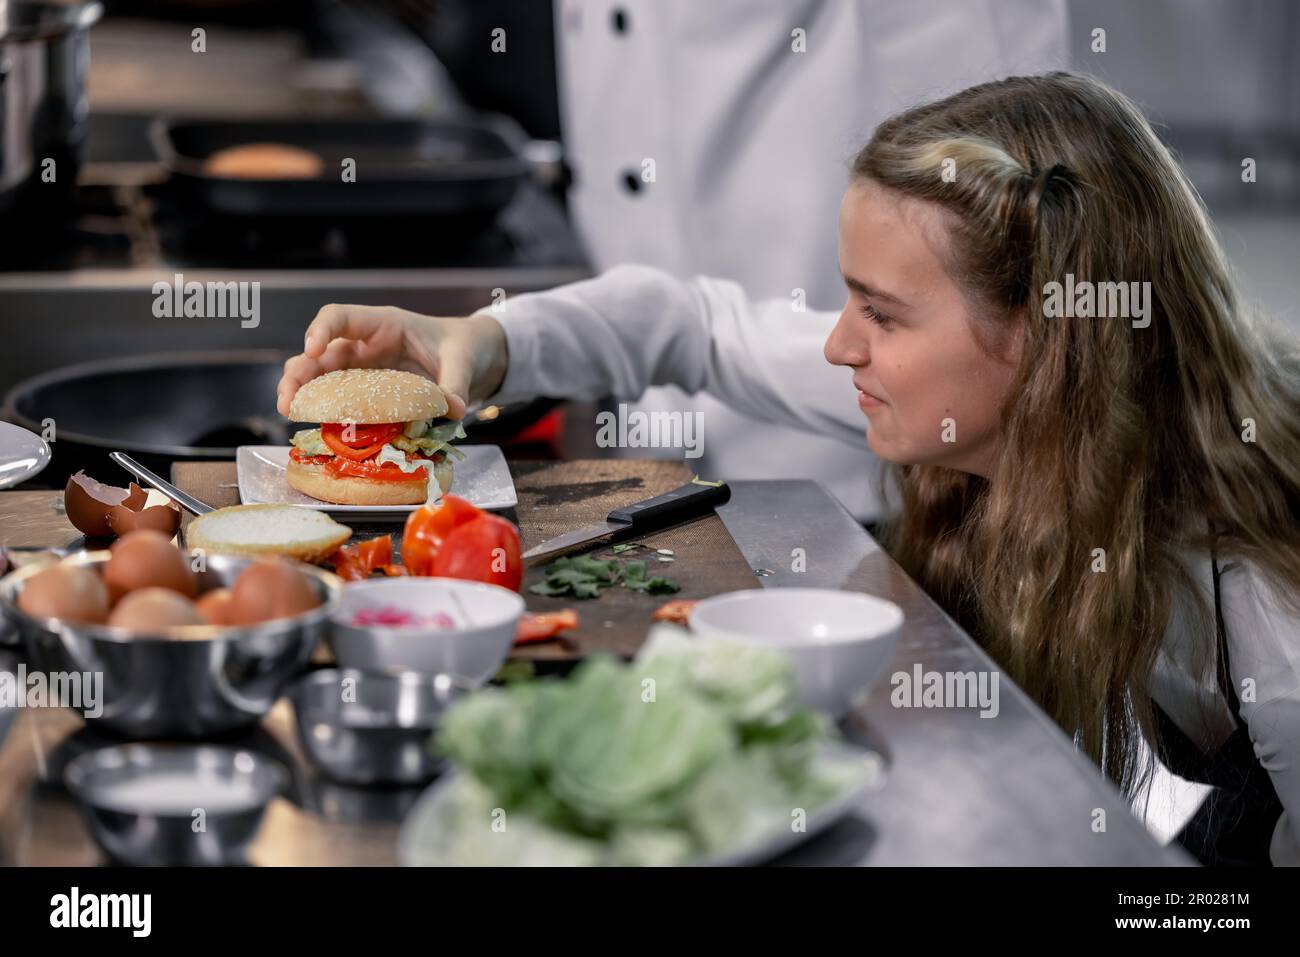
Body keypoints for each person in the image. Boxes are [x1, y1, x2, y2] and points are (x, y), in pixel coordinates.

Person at [279, 72, 1300, 865]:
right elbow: (695, 326)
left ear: (1042, 342)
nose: (837, 347)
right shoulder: (980, 402)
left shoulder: (1265, 601)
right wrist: (475, 344)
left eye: (883, 315)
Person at [502, 0, 1070, 521]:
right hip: (669, 429)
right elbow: (691, 331)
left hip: (869, 466)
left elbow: (1012, 175)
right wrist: (509, 341)